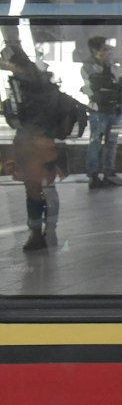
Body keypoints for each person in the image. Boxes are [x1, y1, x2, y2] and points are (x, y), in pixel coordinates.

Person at [5, 45, 70, 252]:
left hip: (29, 143)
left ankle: (35, 233)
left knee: (33, 191)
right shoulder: (48, 86)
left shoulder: (19, 89)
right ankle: (50, 229)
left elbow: (16, 118)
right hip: (49, 142)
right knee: (49, 188)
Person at [80, 36, 122, 188]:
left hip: (115, 110)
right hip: (99, 110)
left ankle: (110, 172)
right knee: (96, 142)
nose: (109, 52)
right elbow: (96, 84)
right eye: (104, 49)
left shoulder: (114, 66)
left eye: (109, 49)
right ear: (96, 51)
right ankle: (93, 174)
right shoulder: (88, 66)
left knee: (112, 142)